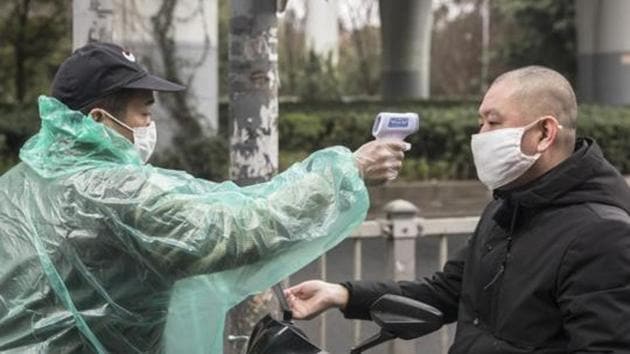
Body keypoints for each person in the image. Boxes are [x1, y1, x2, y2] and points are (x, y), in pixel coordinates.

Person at [0, 42, 409, 353]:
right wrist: (346, 174)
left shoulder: (17, 185)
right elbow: (235, 229)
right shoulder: (112, 193)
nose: (150, 123)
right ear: (97, 120)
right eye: (143, 111)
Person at [286, 66, 630, 353]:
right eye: (480, 123)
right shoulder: (505, 208)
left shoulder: (602, 234)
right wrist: (342, 295)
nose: (480, 136)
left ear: (544, 132)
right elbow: (446, 293)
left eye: (493, 123)